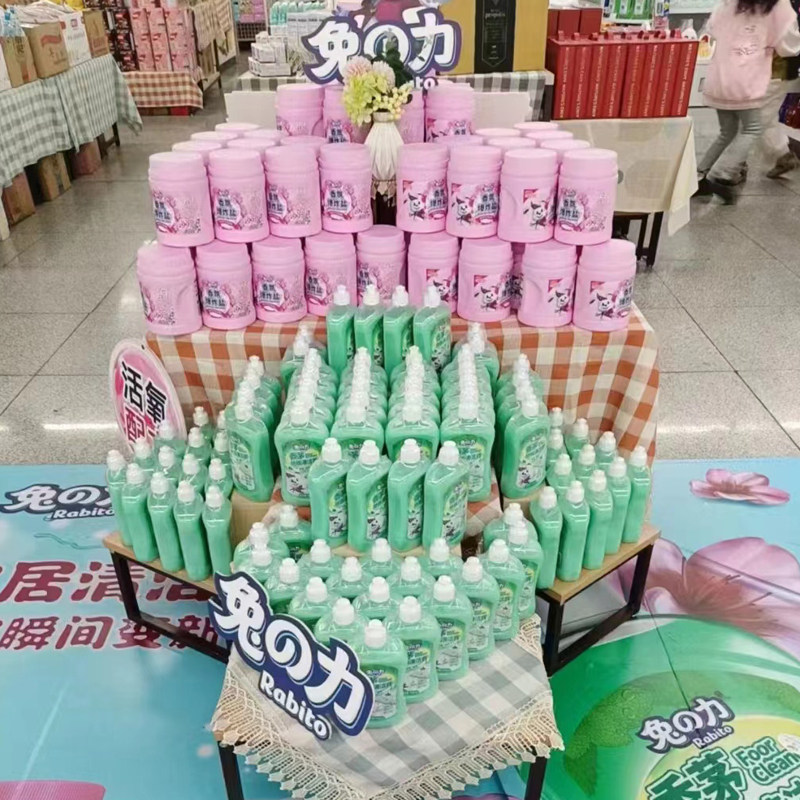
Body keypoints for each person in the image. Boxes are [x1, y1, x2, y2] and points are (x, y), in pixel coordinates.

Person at [697, 0, 800, 202]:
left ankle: (700, 175)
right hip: (753, 79)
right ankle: (723, 174)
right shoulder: (776, 7)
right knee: (752, 127)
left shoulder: (729, 4)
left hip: (721, 76)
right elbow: (789, 46)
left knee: (729, 131)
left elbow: (712, 29)